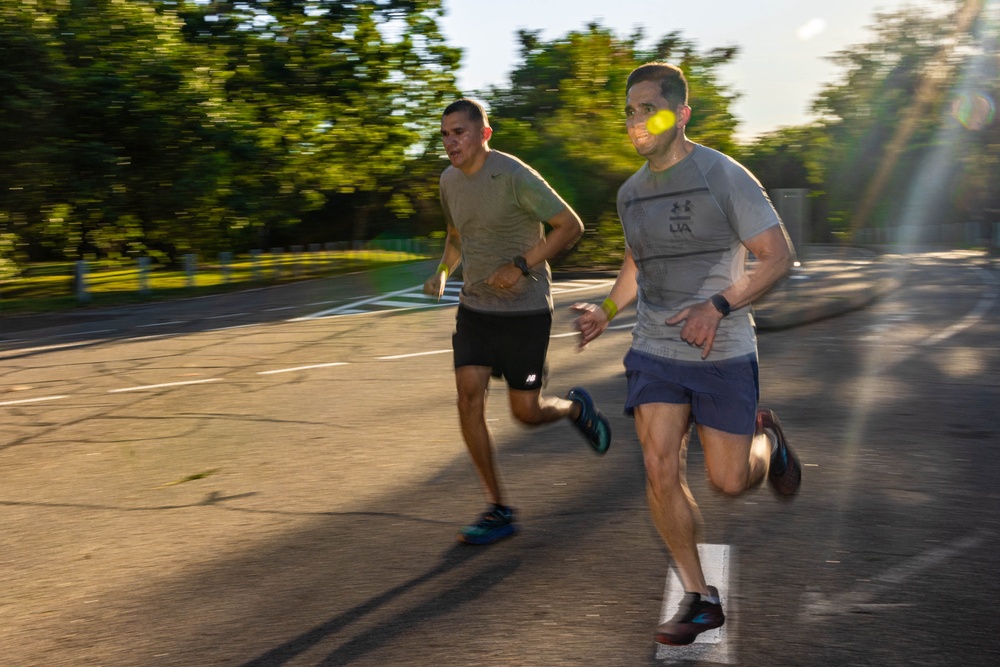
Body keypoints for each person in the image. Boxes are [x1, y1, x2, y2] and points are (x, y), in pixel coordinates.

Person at [573, 63, 802, 646]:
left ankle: (767, 441)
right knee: (659, 467)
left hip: (721, 349)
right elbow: (635, 264)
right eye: (628, 109)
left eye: (647, 107)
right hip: (654, 348)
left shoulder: (723, 176)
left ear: (681, 113)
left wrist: (718, 306)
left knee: (728, 480)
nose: (634, 120)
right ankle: (701, 597)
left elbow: (776, 255)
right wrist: (605, 308)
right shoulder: (630, 194)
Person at [424, 98, 612, 546]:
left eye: (460, 132)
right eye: (445, 134)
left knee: (525, 413)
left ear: (484, 134)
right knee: (468, 399)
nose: (451, 141)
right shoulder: (449, 182)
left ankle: (573, 408)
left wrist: (521, 266)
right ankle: (498, 507)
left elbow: (570, 225)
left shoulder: (513, 175)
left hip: (525, 311)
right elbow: (455, 238)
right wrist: (444, 271)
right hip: (475, 309)